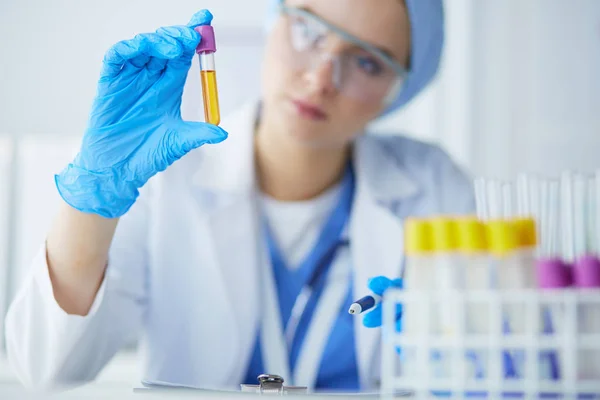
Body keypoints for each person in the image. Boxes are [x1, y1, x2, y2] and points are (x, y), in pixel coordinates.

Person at [4, 0, 474, 393]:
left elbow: (479, 362)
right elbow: (47, 367)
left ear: (400, 89)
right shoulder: (164, 176)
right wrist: (93, 196)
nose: (321, 78)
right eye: (309, 28)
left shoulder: (434, 186)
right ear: (276, 17)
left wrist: (447, 351)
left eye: (367, 61)